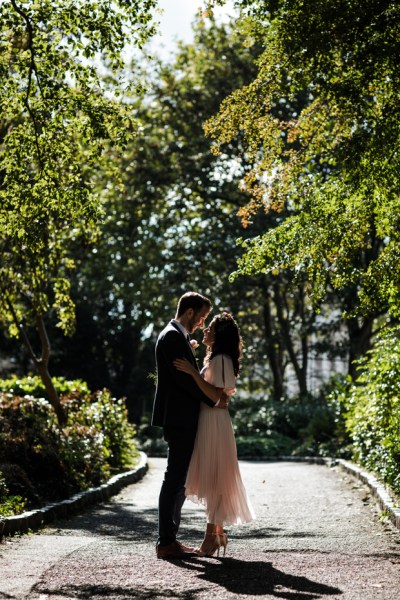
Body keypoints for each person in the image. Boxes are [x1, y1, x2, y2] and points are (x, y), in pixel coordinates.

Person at [152, 292, 230, 560]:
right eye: (202, 316)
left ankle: (169, 539)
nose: (202, 322)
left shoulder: (176, 336)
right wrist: (211, 397)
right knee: (174, 479)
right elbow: (183, 381)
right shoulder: (172, 336)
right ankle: (166, 542)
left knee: (178, 480)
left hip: (180, 418)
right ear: (189, 312)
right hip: (180, 419)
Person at [173, 312, 255, 557]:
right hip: (210, 420)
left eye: (210, 329)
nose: (205, 331)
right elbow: (217, 396)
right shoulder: (217, 358)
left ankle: (211, 537)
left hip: (214, 422)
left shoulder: (220, 358)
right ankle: (217, 534)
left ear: (220, 336)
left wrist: (191, 370)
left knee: (216, 480)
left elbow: (216, 396)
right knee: (214, 480)